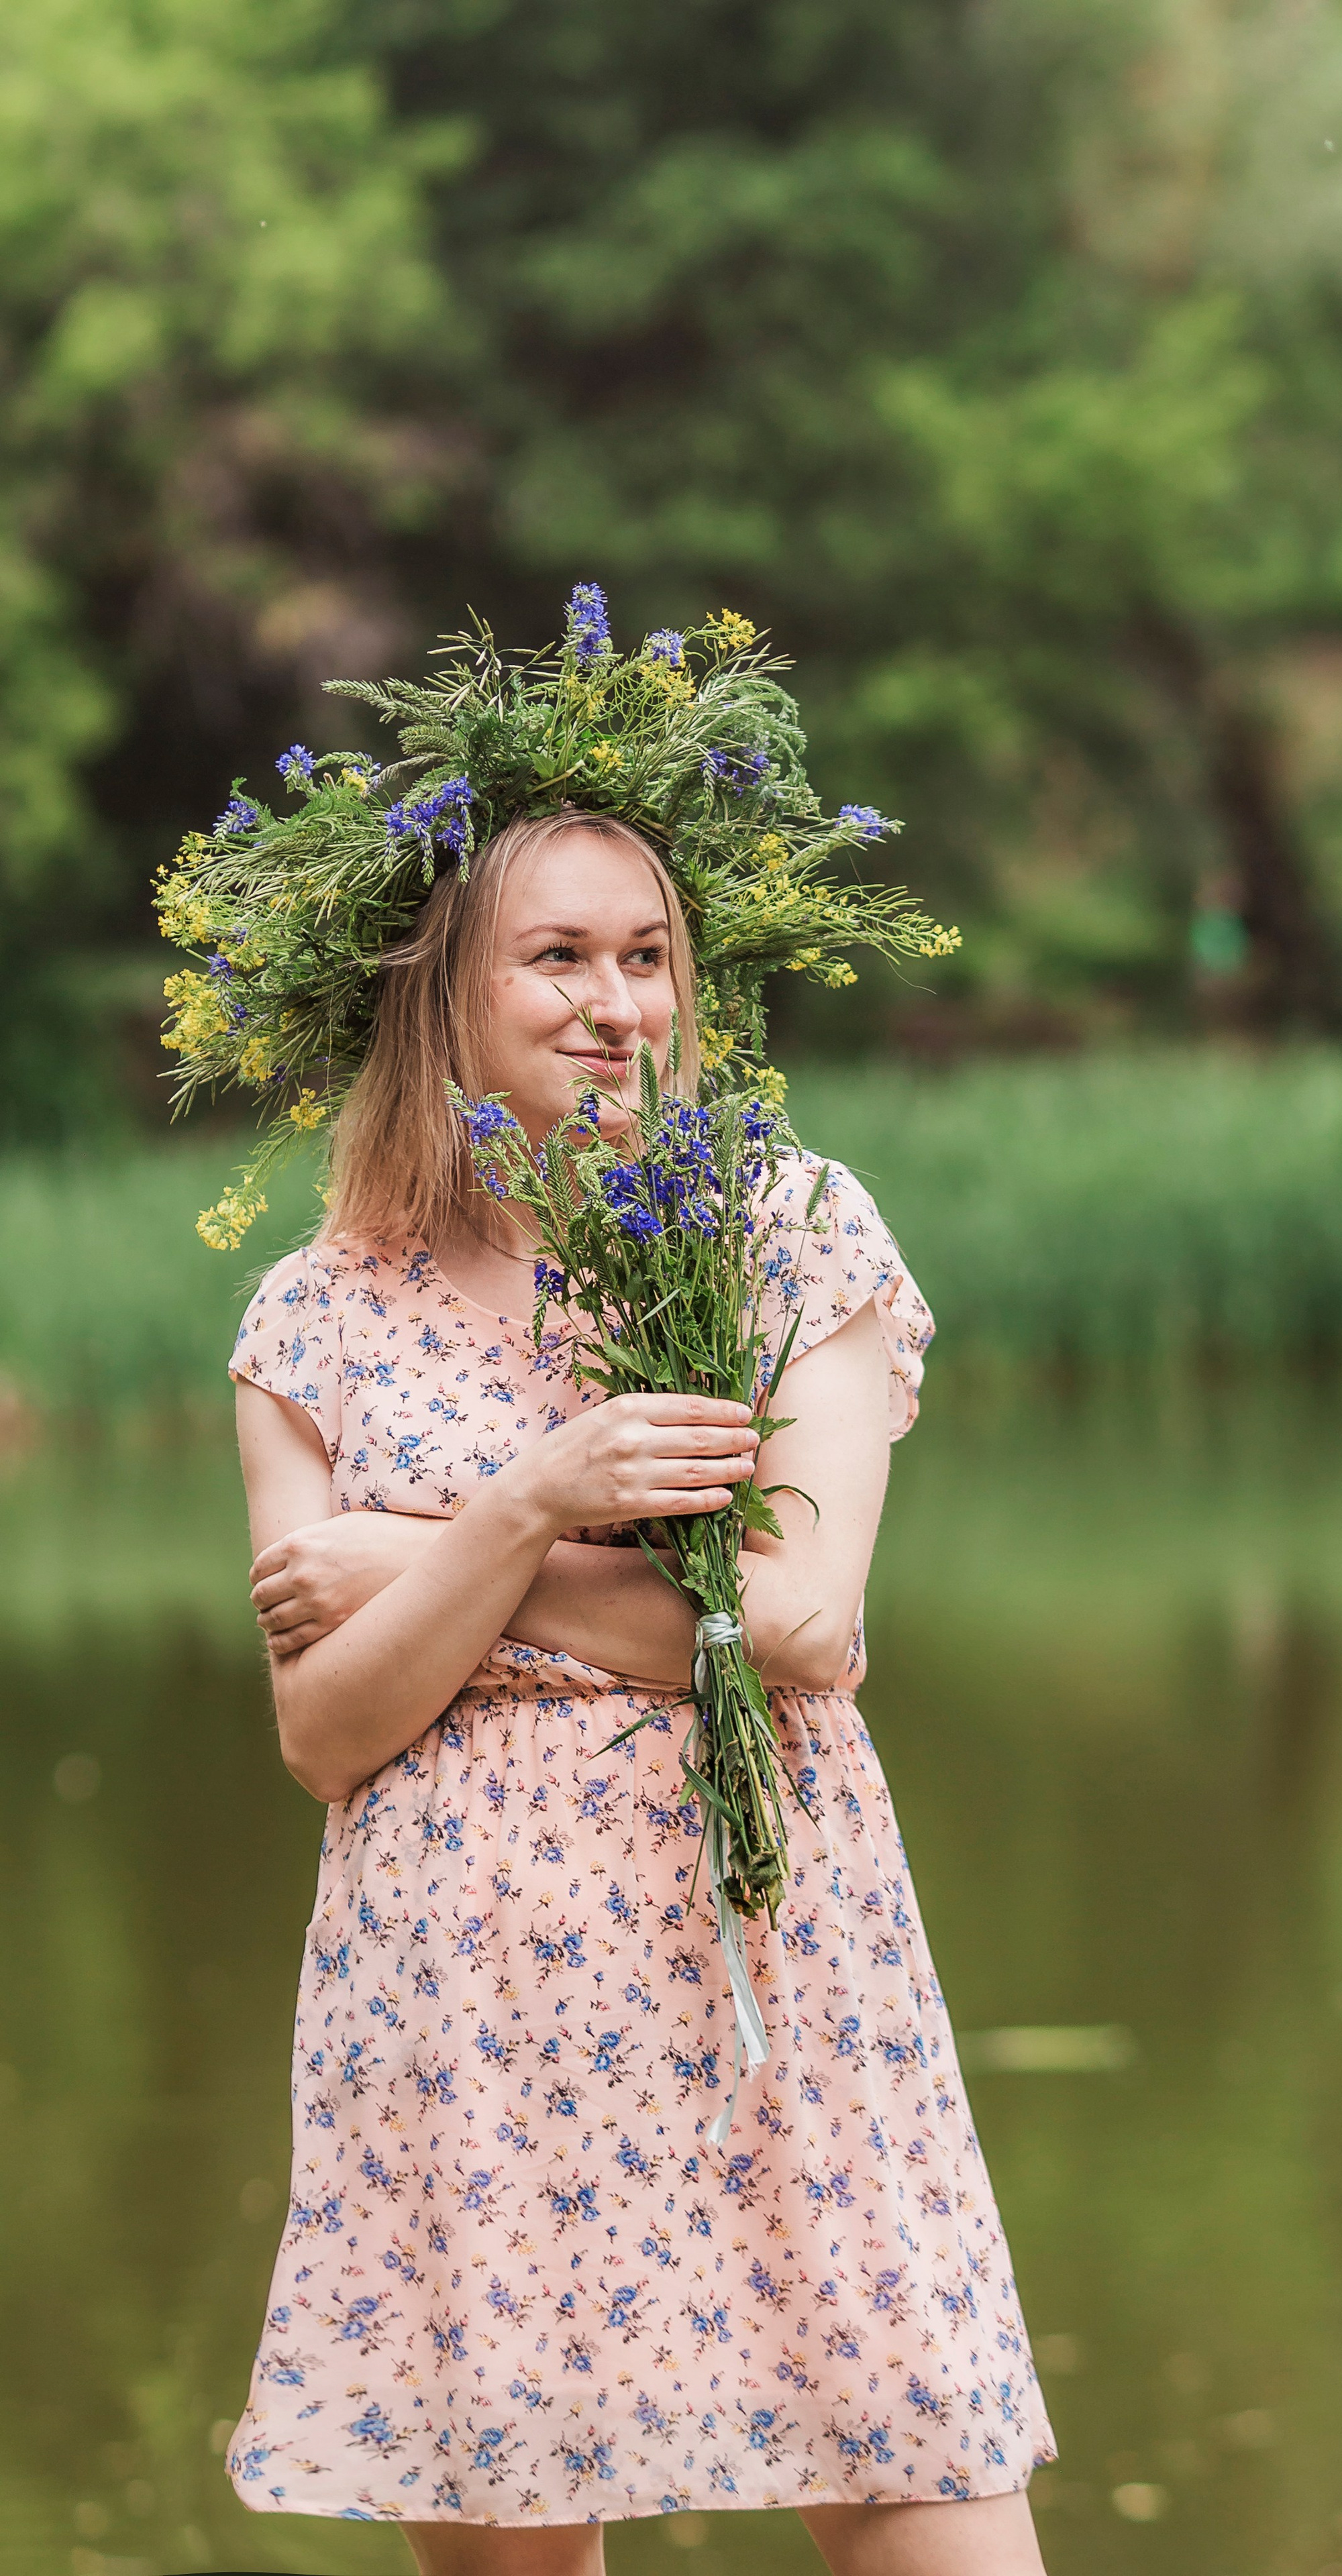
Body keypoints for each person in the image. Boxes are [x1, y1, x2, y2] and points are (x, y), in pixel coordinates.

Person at [225, 805, 1055, 2573]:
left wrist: (417, 1561)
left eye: (647, 956)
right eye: (559, 957)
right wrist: (526, 1504)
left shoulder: (790, 1233)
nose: (616, 1002)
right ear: (443, 994)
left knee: (922, 2465)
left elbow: (806, 1625)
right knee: (520, 2527)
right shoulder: (314, 1316)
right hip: (467, 2003)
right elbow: (328, 1735)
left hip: (769, 1952)